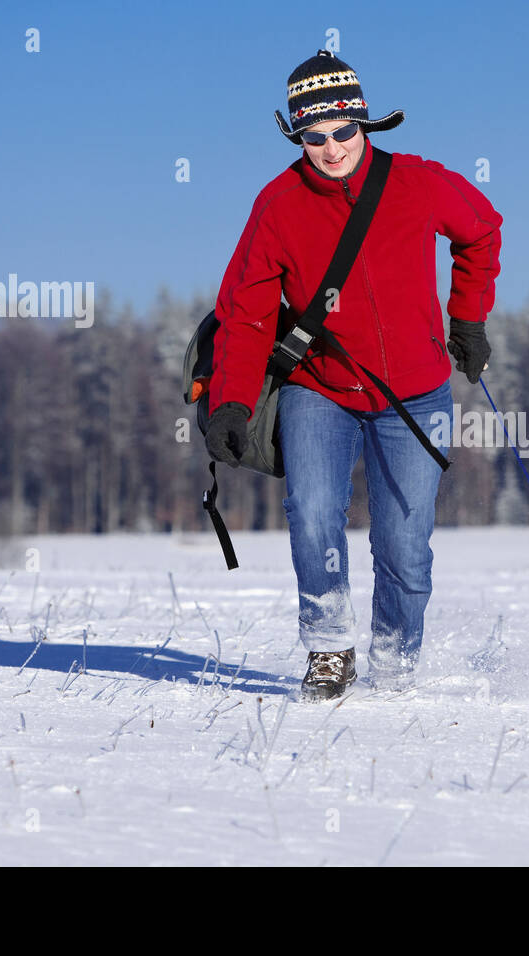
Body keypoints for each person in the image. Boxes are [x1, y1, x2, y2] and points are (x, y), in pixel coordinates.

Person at [203, 50, 502, 700]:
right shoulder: (277, 206)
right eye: (315, 136)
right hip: (321, 387)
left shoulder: (418, 182)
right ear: (297, 135)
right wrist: (230, 401)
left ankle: (396, 662)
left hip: (415, 393)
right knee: (312, 513)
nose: (332, 148)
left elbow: (481, 231)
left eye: (343, 131)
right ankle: (329, 650)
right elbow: (246, 313)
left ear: (364, 123)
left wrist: (468, 321)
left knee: (404, 542)